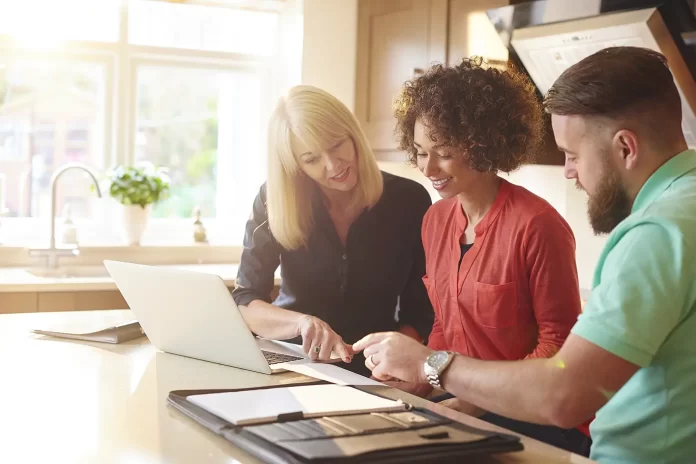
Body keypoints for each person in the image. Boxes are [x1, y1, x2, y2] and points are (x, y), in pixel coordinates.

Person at [354, 46, 696, 463]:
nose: (569, 172)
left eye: (572, 155)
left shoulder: (654, 235)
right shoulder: (683, 210)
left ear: (625, 148)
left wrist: (432, 365)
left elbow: (562, 396)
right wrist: (425, 378)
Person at [386, 57, 590, 454]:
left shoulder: (537, 225)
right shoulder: (435, 221)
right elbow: (444, 326)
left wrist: (478, 399)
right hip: (463, 406)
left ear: (483, 143)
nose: (428, 167)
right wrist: (424, 380)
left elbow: (558, 345)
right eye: (420, 151)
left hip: (536, 420)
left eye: (443, 152)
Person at [232, 85, 434, 373]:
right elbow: (246, 299)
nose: (333, 166)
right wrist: (301, 323)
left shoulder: (408, 200)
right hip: (293, 359)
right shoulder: (274, 199)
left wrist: (399, 363)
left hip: (374, 366)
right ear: (296, 165)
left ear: (352, 134)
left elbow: (420, 309)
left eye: (337, 145)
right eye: (312, 159)